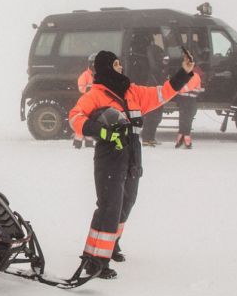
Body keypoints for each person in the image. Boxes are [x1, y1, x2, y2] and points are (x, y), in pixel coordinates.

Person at [68, 49, 195, 279]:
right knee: (109, 206)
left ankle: (111, 244)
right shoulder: (95, 94)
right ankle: (95, 260)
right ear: (106, 68)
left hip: (132, 151)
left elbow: (162, 93)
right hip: (110, 154)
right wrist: (103, 132)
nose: (120, 68)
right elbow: (75, 118)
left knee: (127, 202)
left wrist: (184, 72)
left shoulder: (132, 91)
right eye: (116, 65)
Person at [128, 34, 167, 146]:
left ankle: (150, 137)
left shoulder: (150, 59)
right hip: (150, 91)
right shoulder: (149, 62)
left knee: (156, 116)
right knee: (152, 115)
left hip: (154, 91)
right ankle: (146, 138)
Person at [175, 65, 203, 149]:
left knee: (183, 119)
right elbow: (195, 88)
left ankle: (181, 138)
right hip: (191, 100)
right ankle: (185, 139)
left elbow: (180, 87)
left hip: (184, 100)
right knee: (187, 119)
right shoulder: (196, 76)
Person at [73, 55, 96, 149]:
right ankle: (77, 141)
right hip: (86, 102)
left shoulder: (101, 75)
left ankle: (89, 141)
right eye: (93, 63)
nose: (95, 65)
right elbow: (81, 87)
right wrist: (88, 89)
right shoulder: (85, 75)